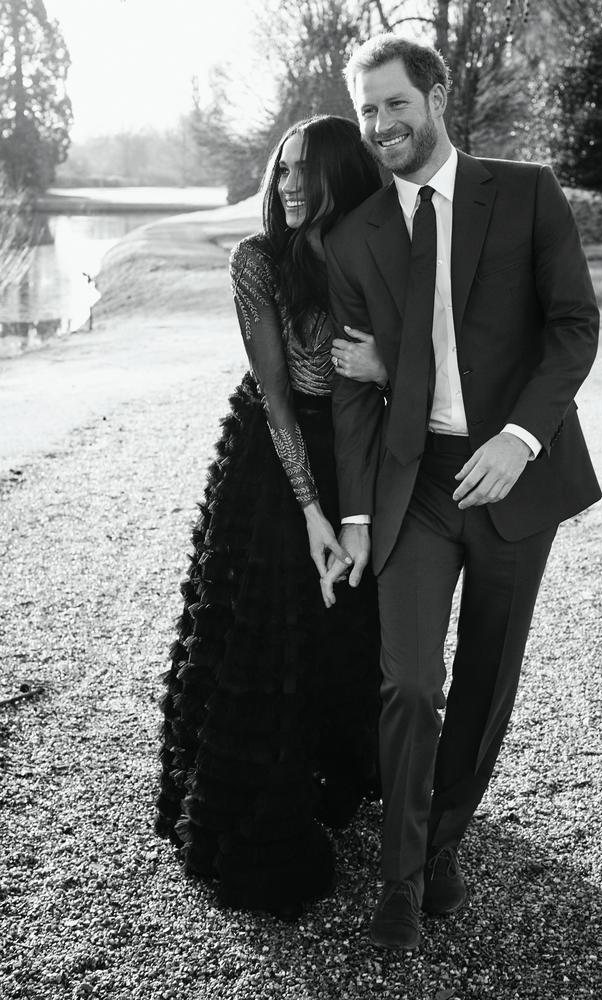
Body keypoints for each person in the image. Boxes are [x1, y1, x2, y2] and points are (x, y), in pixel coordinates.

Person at [322, 34, 602, 950]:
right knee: (408, 681)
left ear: (435, 96)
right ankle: (398, 881)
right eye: (367, 111)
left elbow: (572, 327)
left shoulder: (525, 192)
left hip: (513, 475)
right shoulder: (357, 235)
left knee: (485, 682)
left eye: (394, 104)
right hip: (420, 483)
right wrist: (357, 515)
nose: (380, 126)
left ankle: (443, 846)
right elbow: (363, 393)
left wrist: (522, 439)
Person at [155, 115, 387, 920]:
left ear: (343, 181)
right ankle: (271, 799)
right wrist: (314, 511)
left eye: (306, 172)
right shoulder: (257, 262)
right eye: (281, 170)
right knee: (273, 630)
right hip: (274, 461)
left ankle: (341, 774)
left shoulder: (375, 253)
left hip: (359, 453)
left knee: (352, 621)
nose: (289, 185)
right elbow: (280, 399)